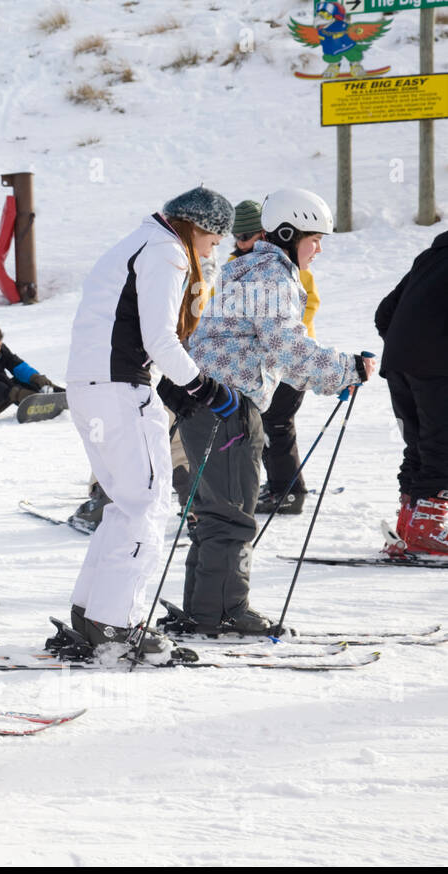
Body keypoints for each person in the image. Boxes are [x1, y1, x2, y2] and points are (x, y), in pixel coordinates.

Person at [178, 188, 374, 636]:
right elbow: (288, 349)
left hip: (203, 403)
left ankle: (203, 609)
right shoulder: (273, 277)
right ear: (287, 234)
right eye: (314, 239)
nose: (319, 249)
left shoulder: (241, 268)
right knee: (231, 515)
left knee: (214, 513)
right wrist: (347, 369)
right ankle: (223, 613)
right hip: (229, 407)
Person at [60, 186, 238, 661]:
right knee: (147, 504)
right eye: (215, 240)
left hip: (90, 386)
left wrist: (178, 384)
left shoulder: (134, 242)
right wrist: (204, 387)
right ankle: (117, 625)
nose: (212, 249)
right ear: (197, 227)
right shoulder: (165, 252)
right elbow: (158, 336)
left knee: (125, 502)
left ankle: (93, 612)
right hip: (120, 390)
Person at [230, 199, 322, 516]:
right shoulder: (236, 265)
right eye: (239, 237)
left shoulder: (287, 268)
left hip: (286, 361)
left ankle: (288, 491)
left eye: (251, 235)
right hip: (252, 364)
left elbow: (304, 308)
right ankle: (275, 486)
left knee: (277, 424)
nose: (245, 243)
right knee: (258, 426)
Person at [374, 231, 448, 555]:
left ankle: (410, 520)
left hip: (398, 364)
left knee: (419, 445)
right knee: (442, 445)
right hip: (436, 367)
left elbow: (384, 313)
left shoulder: (430, 257)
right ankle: (427, 528)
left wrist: (406, 348)